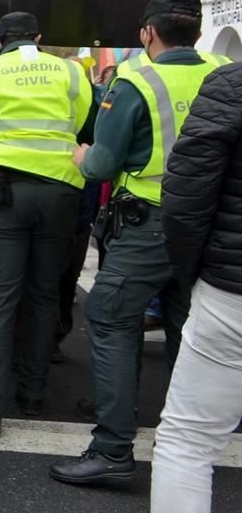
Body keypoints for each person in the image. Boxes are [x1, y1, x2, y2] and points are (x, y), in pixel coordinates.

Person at [49, 0, 225, 485]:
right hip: (209, 226)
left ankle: (112, 450)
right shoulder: (223, 69)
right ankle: (191, 436)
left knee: (110, 319)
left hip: (149, 223)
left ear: (148, 32)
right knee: (186, 326)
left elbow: (103, 164)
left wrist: (84, 158)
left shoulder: (135, 79)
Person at [0, 11, 95, 439]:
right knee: (44, 294)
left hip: (3, 195)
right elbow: (88, 131)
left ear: (0, 40)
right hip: (61, 194)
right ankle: (33, 396)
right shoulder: (71, 73)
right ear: (38, 36)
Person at [150, 57, 241, 512]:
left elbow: (186, 197)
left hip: (232, 293)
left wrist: (191, 276)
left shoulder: (232, 84)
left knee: (189, 442)